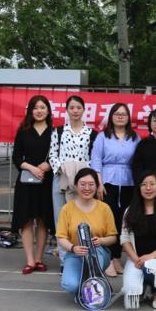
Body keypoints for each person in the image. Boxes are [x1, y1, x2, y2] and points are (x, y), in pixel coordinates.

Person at [90, 102, 140, 278]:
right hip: (107, 181)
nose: (120, 117)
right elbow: (96, 159)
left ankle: (117, 257)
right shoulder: (103, 136)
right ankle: (108, 259)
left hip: (128, 182)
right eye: (117, 114)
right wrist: (99, 183)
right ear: (111, 116)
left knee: (123, 220)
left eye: (123, 114)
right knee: (108, 220)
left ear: (128, 118)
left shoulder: (134, 137)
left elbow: (138, 160)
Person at [55, 168, 118, 296]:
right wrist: (73, 248)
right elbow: (61, 237)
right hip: (75, 254)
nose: (87, 188)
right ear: (76, 185)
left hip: (99, 253)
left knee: (95, 260)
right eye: (83, 184)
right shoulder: (67, 209)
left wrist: (101, 241)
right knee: (70, 285)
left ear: (97, 186)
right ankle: (92, 285)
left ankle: (95, 282)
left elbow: (113, 237)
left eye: (91, 184)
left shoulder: (104, 208)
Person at [12, 95, 55, 275]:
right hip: (26, 182)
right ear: (30, 111)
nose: (39, 111)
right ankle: (29, 261)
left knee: (43, 220)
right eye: (35, 108)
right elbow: (16, 157)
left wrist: (49, 165)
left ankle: (39, 259)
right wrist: (31, 168)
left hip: (46, 181)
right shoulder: (23, 131)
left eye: (42, 107)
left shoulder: (55, 132)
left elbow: (59, 155)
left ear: (48, 111)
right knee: (27, 220)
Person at [120, 172, 156, 310]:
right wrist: (135, 258)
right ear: (138, 188)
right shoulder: (130, 211)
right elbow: (124, 239)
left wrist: (152, 256)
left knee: (152, 268)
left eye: (152, 184)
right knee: (131, 300)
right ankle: (142, 286)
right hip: (136, 260)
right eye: (144, 184)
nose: (148, 188)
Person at [48, 95, 98, 245]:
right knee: (60, 217)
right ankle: (64, 254)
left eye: (78, 108)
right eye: (72, 108)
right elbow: (52, 155)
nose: (75, 111)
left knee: (82, 216)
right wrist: (63, 170)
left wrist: (81, 173)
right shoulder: (59, 131)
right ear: (67, 110)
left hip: (84, 180)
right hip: (61, 178)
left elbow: (94, 157)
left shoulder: (91, 133)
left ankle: (83, 251)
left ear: (84, 110)